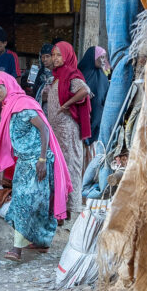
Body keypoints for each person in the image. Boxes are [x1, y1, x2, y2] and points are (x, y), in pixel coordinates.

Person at [0, 71, 72, 261]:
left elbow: (44, 129)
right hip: (24, 163)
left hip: (37, 162)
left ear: (8, 85)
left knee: (25, 202)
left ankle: (16, 249)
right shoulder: (9, 106)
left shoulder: (23, 106)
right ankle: (42, 242)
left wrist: (42, 160)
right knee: (37, 203)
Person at [46, 41, 92, 217]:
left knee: (69, 165)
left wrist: (67, 103)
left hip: (67, 130)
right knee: (58, 166)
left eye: (59, 55)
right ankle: (60, 207)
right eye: (54, 55)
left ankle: (70, 207)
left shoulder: (72, 74)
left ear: (67, 56)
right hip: (57, 128)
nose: (56, 59)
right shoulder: (57, 74)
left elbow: (84, 90)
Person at [79, 45, 111, 161]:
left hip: (97, 122)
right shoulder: (81, 75)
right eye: (100, 57)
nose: (103, 60)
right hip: (82, 121)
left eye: (104, 57)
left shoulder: (102, 76)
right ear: (92, 58)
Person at [33, 43, 55, 110]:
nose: (44, 59)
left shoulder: (59, 73)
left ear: (53, 57)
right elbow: (34, 91)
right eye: (42, 57)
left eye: (47, 56)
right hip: (42, 108)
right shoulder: (39, 73)